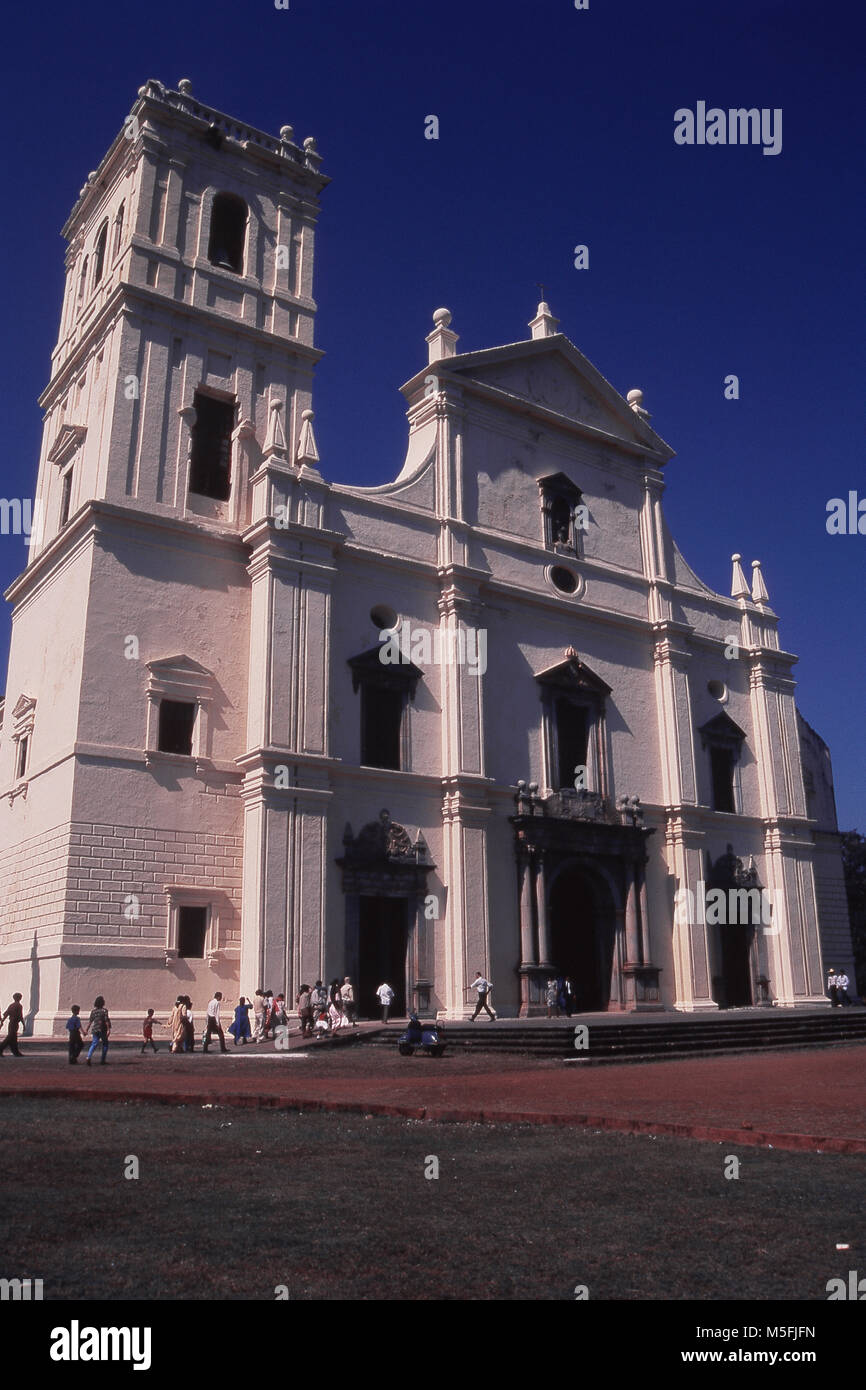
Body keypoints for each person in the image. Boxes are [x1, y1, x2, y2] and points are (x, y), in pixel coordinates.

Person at [84, 995, 111, 1066]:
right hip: (102, 1029)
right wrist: (108, 1029)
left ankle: (88, 1057)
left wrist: (86, 1030)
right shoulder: (104, 1011)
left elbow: (90, 1021)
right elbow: (106, 1020)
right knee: (105, 1044)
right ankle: (103, 1059)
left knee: (94, 1043)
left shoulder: (93, 1011)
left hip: (95, 1029)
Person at [0, 993, 26, 1057]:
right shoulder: (19, 1006)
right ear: (19, 998)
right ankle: (0, 1049)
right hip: (14, 1023)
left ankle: (15, 1051)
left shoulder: (11, 1005)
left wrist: (2, 1021)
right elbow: (20, 1016)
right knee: (10, 1038)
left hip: (10, 1023)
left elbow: (6, 1013)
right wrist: (23, 1025)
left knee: (13, 1038)